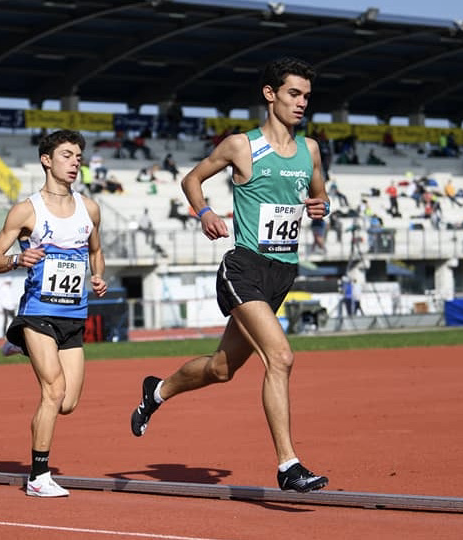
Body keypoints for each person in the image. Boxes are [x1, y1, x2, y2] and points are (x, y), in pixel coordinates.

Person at [129, 58, 330, 493]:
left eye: (307, 97)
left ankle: (156, 391)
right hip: (244, 267)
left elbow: (319, 194)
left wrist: (321, 207)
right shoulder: (242, 145)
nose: (301, 103)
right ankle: (288, 465)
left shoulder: (310, 149)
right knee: (280, 358)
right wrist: (203, 212)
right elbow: (192, 178)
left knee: (221, 369)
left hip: (283, 272)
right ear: (270, 94)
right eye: (294, 94)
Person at [0, 129, 107, 497]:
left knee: (67, 402)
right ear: (47, 160)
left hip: (73, 314)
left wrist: (98, 275)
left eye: (79, 157)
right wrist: (17, 259)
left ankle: (21, 348)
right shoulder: (27, 210)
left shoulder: (91, 209)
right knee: (53, 391)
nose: (75, 163)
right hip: (37, 312)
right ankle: (38, 476)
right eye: (67, 155)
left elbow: (95, 251)